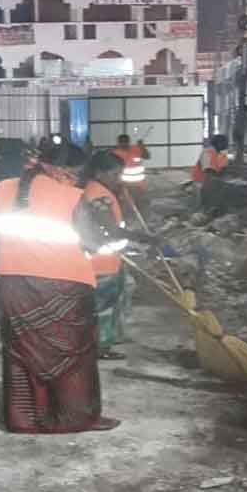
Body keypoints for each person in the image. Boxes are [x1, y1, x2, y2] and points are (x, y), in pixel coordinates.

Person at [0, 155, 120, 433]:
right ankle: (75, 417)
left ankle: (23, 419)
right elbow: (93, 241)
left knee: (21, 353)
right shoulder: (72, 197)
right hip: (64, 284)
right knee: (74, 357)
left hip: (15, 283)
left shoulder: (2, 189)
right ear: (57, 170)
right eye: (73, 169)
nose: (75, 176)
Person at [80, 151, 160, 361]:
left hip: (111, 260)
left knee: (125, 290)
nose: (118, 179)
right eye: (114, 174)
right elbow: (111, 230)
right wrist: (145, 238)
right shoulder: (97, 194)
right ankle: (101, 347)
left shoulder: (102, 190)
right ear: (99, 173)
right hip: (101, 263)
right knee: (104, 307)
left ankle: (113, 336)